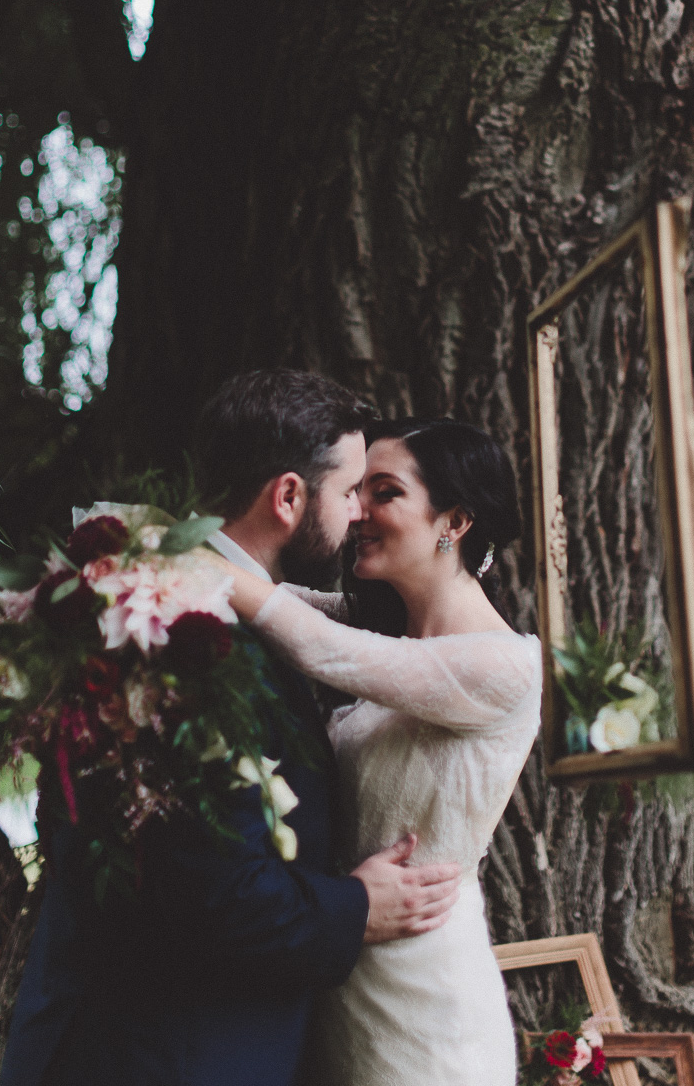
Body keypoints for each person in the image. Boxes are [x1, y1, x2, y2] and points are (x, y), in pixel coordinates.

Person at [0, 372, 461, 1086]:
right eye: (346, 495)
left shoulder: (151, 598)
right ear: (286, 497)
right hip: (164, 1053)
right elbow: (214, 891)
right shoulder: (195, 639)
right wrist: (358, 907)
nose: (355, 518)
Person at [212, 417, 543, 1086]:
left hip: (423, 995)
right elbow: (269, 595)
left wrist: (179, 557)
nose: (355, 512)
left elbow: (309, 642)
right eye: (355, 491)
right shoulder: (378, 628)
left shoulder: (506, 665)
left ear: (453, 519)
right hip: (346, 965)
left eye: (383, 492)